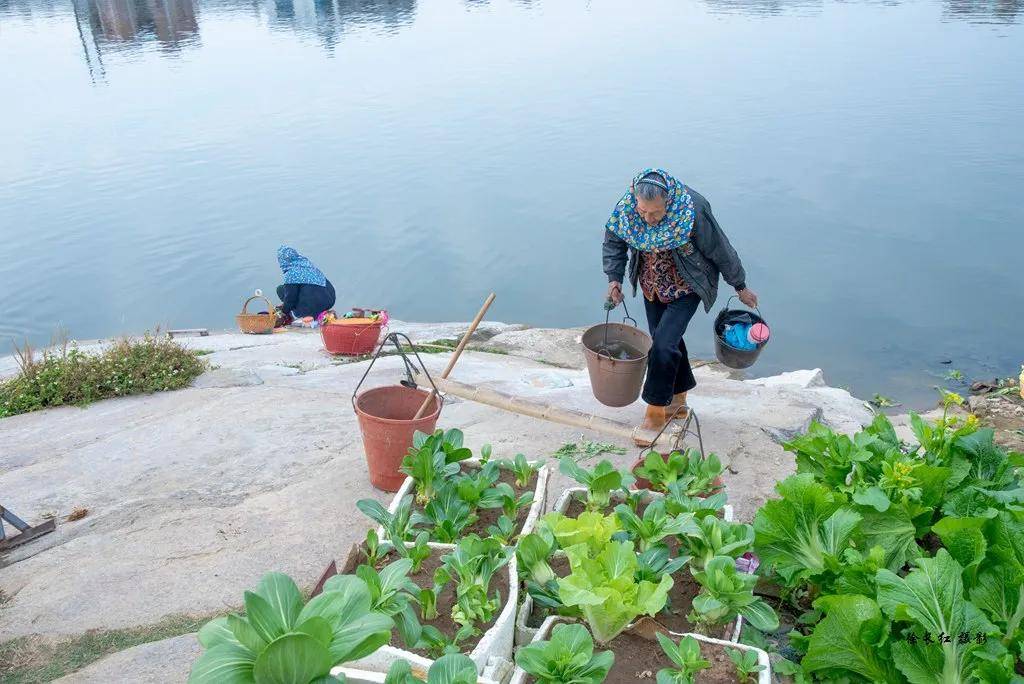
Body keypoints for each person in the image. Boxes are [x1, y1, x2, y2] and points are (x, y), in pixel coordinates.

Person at [602, 169, 758, 445]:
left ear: (668, 202)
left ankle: (655, 412)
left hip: (688, 285)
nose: (648, 219)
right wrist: (615, 279)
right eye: (643, 212)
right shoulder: (628, 207)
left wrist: (740, 286)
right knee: (669, 341)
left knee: (661, 344)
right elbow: (615, 240)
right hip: (651, 284)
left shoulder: (693, 209)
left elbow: (720, 249)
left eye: (655, 214)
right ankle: (679, 400)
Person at [275, 246, 336, 321]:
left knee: (280, 289)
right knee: (306, 289)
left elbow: (291, 298)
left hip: (312, 305)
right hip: (329, 300)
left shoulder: (291, 273)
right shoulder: (307, 265)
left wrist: (283, 312)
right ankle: (324, 314)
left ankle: (308, 315)